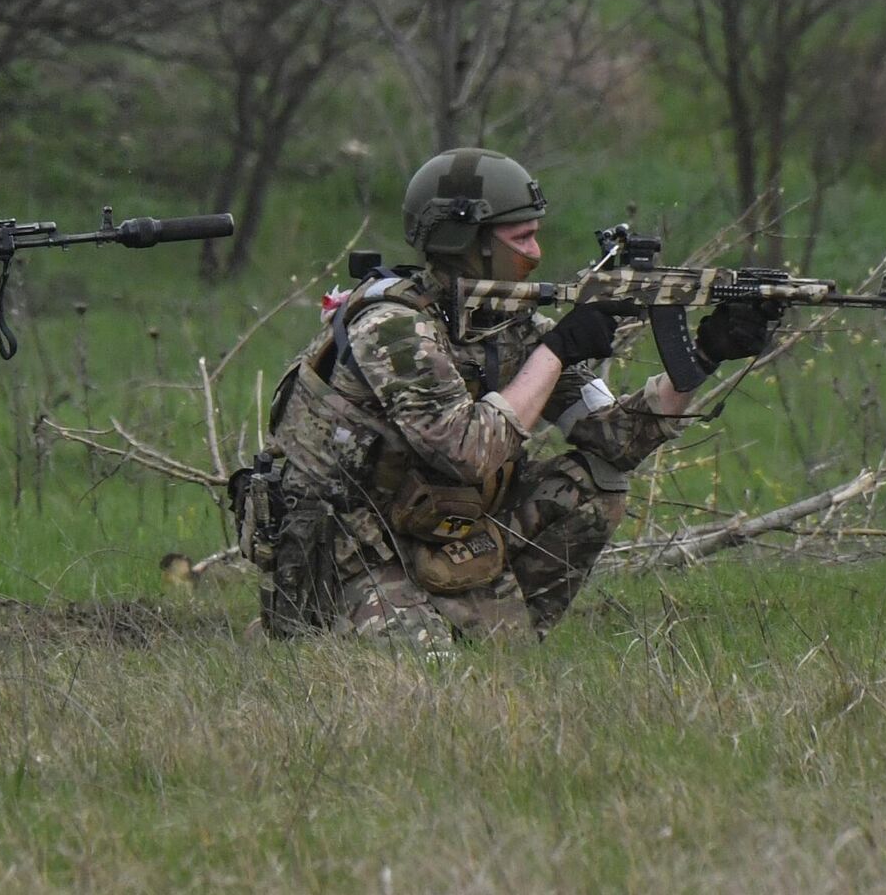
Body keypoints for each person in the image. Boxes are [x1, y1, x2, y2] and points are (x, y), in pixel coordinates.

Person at [243, 147, 774, 648]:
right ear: (465, 240)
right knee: (425, 680)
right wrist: (557, 350)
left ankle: (501, 632)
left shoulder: (510, 328)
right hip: (344, 553)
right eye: (521, 238)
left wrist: (704, 357)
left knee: (596, 486)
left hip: (435, 534)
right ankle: (330, 631)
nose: (537, 254)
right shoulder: (394, 330)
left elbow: (614, 440)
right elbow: (467, 450)